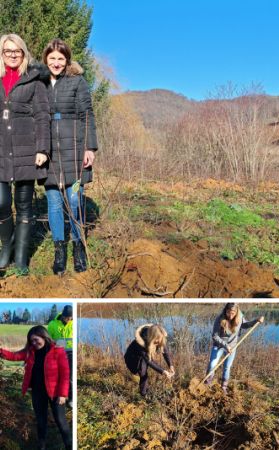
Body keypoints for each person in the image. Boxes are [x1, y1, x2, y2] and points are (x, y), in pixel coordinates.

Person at [42, 39, 98, 274]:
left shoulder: (77, 81)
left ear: (67, 61)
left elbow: (87, 115)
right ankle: (59, 249)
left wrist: (90, 148)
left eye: (60, 58)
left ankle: (78, 247)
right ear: (46, 59)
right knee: (54, 203)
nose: (56, 63)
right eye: (52, 58)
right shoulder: (39, 83)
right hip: (49, 152)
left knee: (74, 200)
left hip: (75, 151)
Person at [0, 34, 50, 274]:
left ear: (23, 52)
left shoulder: (34, 80)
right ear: (1, 53)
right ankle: (5, 249)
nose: (12, 54)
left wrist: (42, 149)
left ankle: (20, 259)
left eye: (16, 50)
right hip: (0, 149)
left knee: (23, 206)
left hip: (26, 149)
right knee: (1, 202)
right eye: (7, 50)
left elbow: (42, 116)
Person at [0, 325, 71, 449]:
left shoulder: (57, 351)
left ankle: (69, 445)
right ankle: (41, 446)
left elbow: (65, 374)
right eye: (31, 341)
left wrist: (62, 394)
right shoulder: (30, 352)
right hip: (37, 392)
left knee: (61, 421)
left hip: (55, 393)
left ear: (44, 337)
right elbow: (13, 356)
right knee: (40, 420)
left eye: (36, 339)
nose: (34, 343)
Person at [204, 303, 264, 394]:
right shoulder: (219, 319)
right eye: (229, 313)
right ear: (226, 311)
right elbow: (215, 336)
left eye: (233, 313)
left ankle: (223, 387)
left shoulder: (240, 317)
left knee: (227, 367)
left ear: (236, 312)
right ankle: (207, 384)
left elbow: (245, 325)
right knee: (212, 364)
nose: (231, 315)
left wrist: (256, 321)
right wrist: (225, 345)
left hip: (232, 347)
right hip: (219, 346)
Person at [124, 324, 174, 397]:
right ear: (152, 337)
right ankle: (143, 394)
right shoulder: (141, 343)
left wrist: (171, 365)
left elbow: (165, 352)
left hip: (143, 357)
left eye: (160, 339)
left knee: (144, 372)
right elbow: (149, 361)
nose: (158, 341)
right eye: (157, 340)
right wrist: (163, 371)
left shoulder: (159, 337)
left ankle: (145, 391)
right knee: (143, 373)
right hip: (133, 358)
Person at [47, 305, 73, 407]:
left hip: (71, 353)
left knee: (70, 376)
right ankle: (57, 395)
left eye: (70, 318)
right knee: (57, 375)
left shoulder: (73, 324)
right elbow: (48, 339)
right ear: (62, 315)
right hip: (57, 353)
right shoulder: (52, 324)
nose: (68, 320)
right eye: (67, 317)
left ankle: (70, 398)